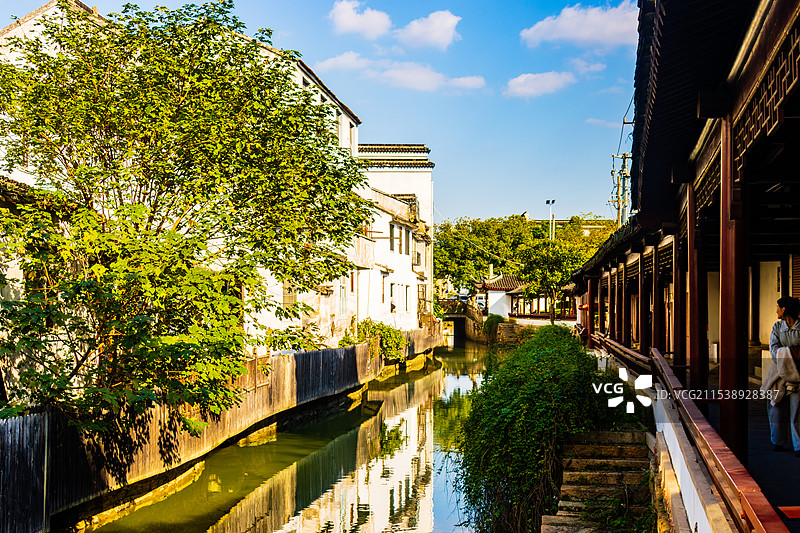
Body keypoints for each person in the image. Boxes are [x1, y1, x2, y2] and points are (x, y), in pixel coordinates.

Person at [767, 296, 800, 454]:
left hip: (798, 376)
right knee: (776, 407)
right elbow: (773, 352)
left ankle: (798, 445)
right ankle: (777, 441)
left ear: (784, 309)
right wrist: (793, 353)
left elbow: (777, 351)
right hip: (779, 376)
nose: (776, 310)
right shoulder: (777, 327)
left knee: (797, 411)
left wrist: (784, 353)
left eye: (777, 307)